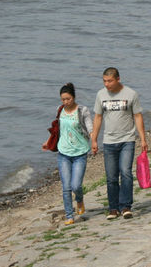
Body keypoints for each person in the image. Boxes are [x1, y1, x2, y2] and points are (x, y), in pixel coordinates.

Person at [91, 67, 148, 220]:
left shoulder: (131, 94)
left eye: (109, 81)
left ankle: (126, 206)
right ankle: (113, 208)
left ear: (118, 79)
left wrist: (142, 138)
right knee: (111, 177)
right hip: (109, 141)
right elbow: (97, 117)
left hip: (127, 140)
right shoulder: (100, 95)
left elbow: (137, 116)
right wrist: (94, 139)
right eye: (104, 81)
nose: (107, 84)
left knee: (126, 172)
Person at [55, 83, 94, 226]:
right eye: (63, 99)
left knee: (76, 185)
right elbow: (56, 129)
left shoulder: (82, 110)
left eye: (68, 99)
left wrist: (94, 139)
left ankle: (79, 200)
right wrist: (48, 142)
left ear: (74, 97)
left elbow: (90, 127)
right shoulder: (60, 110)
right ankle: (69, 215)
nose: (65, 102)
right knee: (66, 187)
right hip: (63, 153)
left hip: (80, 153)